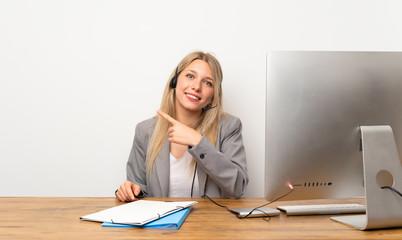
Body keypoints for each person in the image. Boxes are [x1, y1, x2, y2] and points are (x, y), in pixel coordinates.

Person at [115, 51, 248, 202]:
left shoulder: (229, 127)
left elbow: (239, 188)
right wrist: (130, 191)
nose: (196, 87)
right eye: (190, 76)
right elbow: (138, 190)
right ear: (174, 81)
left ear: (213, 96)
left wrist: (199, 143)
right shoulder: (144, 131)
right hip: (160, 224)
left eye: (207, 82)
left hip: (208, 224)